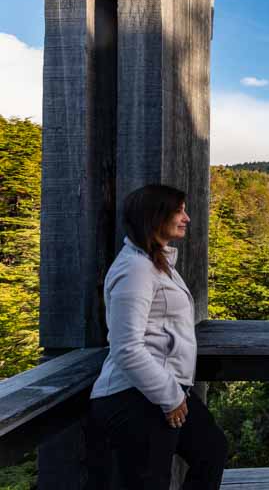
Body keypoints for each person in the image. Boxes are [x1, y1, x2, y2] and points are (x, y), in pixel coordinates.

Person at [88, 184, 227, 489]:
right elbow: (126, 348)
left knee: (212, 450)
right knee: (150, 482)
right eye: (179, 210)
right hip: (135, 398)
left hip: (161, 392)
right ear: (155, 216)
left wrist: (174, 393)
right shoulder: (136, 271)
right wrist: (171, 395)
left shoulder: (155, 262)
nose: (187, 217)